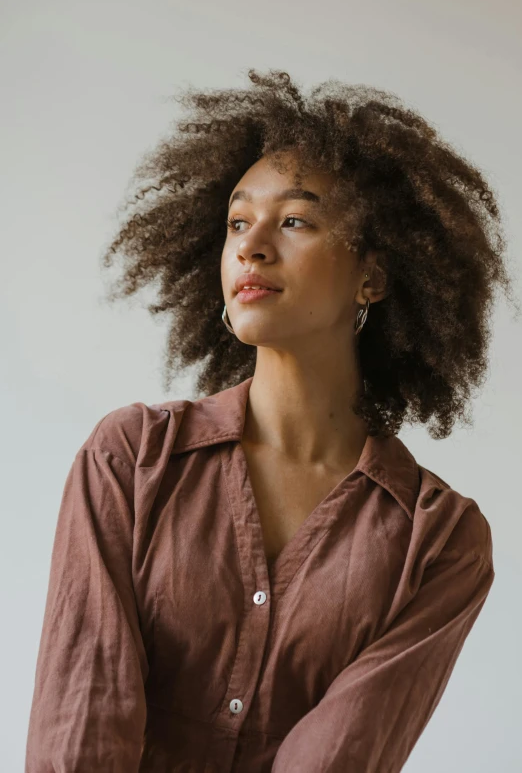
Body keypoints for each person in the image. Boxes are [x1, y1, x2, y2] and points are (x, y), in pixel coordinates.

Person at [25, 69, 517, 773]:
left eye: (294, 220)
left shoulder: (437, 543)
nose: (251, 246)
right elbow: (82, 720)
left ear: (372, 278)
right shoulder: (132, 459)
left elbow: (337, 758)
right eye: (236, 222)